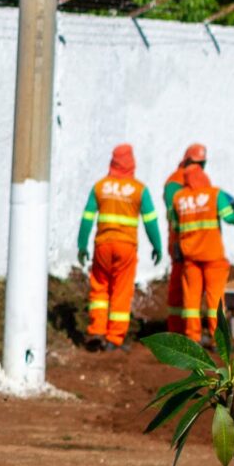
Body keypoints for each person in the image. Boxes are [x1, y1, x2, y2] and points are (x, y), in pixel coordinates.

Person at [76, 144, 163, 350]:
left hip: (102, 245)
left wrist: (81, 245)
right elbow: (150, 221)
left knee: (100, 288)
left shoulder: (100, 187)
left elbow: (87, 217)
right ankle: (114, 338)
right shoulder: (139, 190)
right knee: (121, 291)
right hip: (126, 246)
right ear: (132, 163)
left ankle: (97, 330)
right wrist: (157, 246)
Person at [165, 144, 234, 342]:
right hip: (212, 257)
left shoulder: (179, 198)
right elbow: (230, 217)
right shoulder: (214, 194)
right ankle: (219, 340)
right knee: (215, 301)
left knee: (191, 301)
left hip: (190, 258)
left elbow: (174, 224)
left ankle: (192, 338)